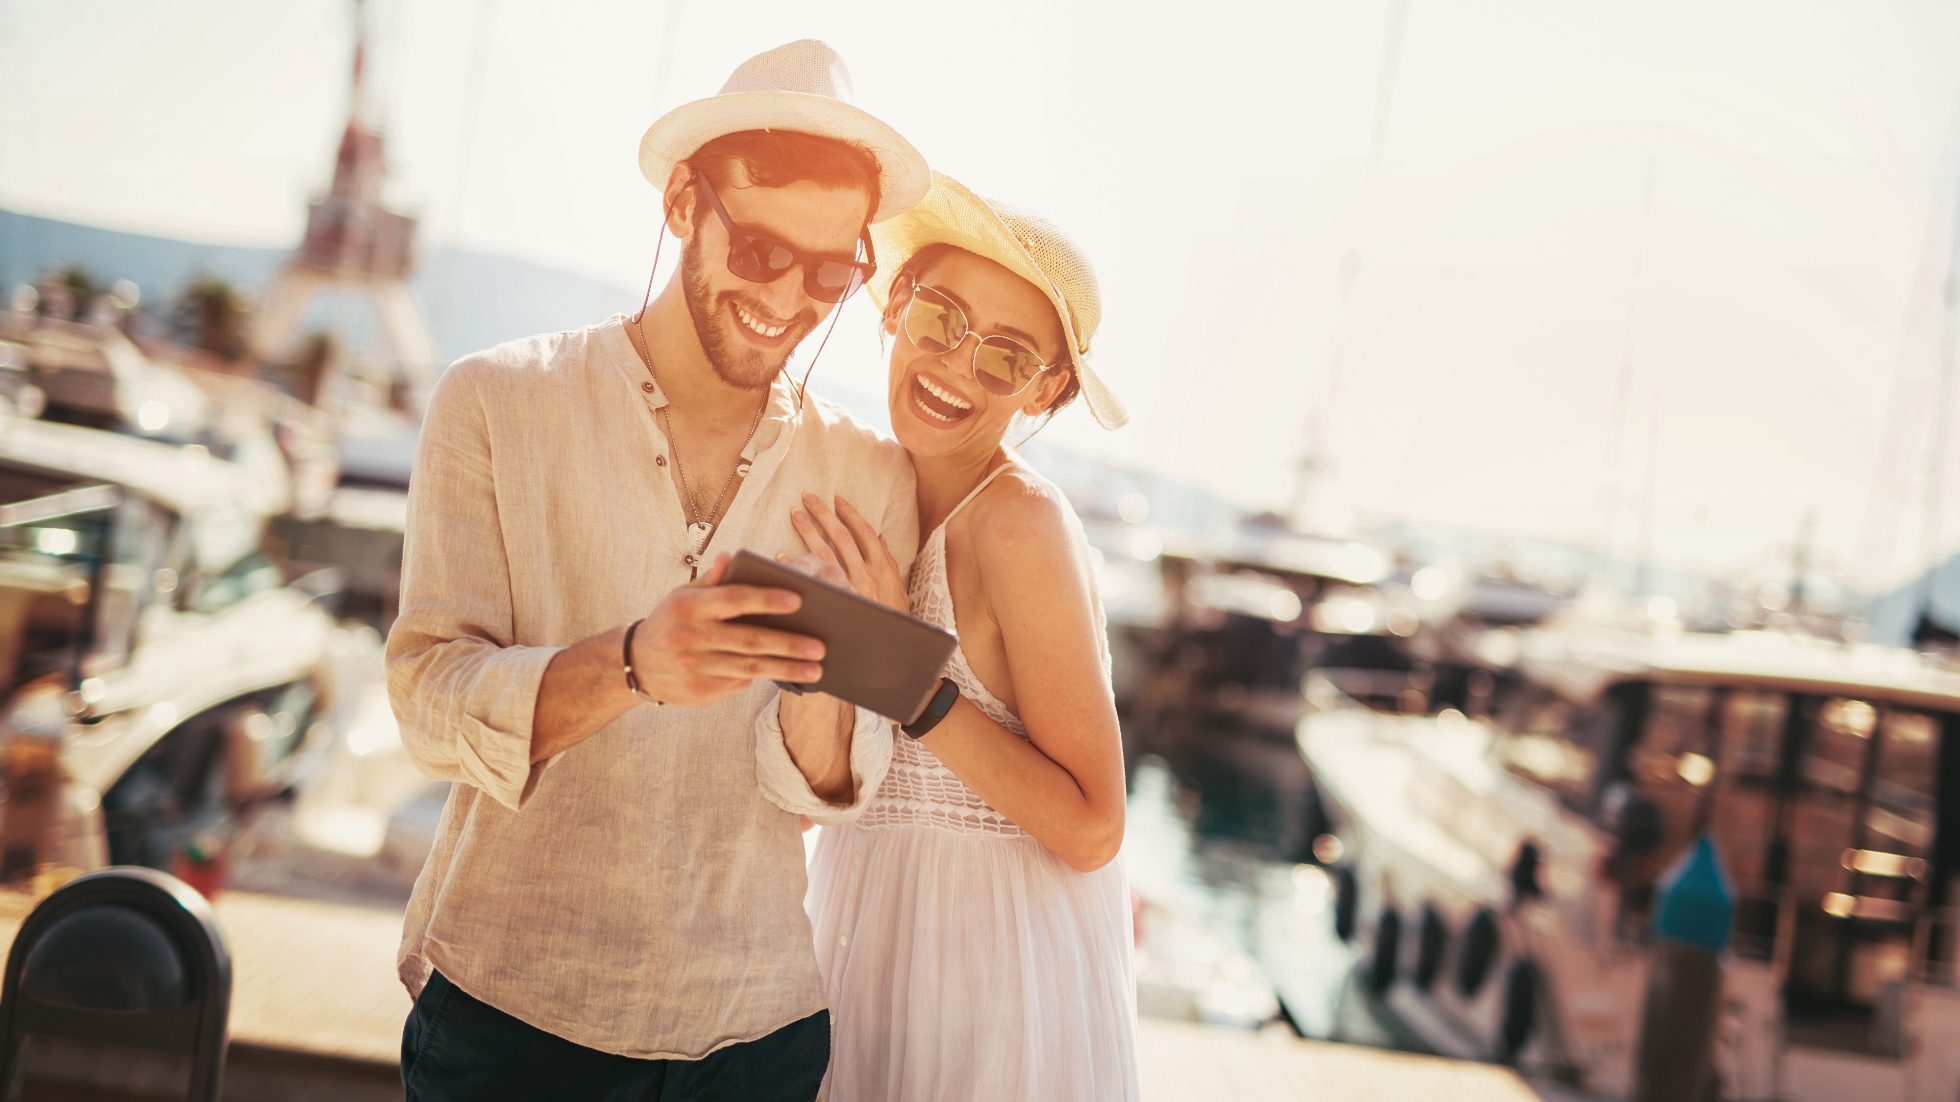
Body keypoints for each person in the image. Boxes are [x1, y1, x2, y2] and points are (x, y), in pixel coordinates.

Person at [387, 41, 929, 1100]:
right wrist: (631, 664)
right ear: (684, 201)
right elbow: (424, 707)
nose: (793, 299)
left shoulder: (869, 476)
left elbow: (830, 788)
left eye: (833, 271)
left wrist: (830, 687)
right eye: (765, 251)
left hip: (758, 1031)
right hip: (512, 1010)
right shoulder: (495, 401)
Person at [783, 173, 1139, 1100]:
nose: (954, 368)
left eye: (1006, 356)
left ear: (1044, 387)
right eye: (942, 320)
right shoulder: (874, 489)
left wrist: (902, 673)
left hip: (992, 976)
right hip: (871, 939)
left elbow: (1095, 826)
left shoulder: (1021, 525)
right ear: (895, 308)